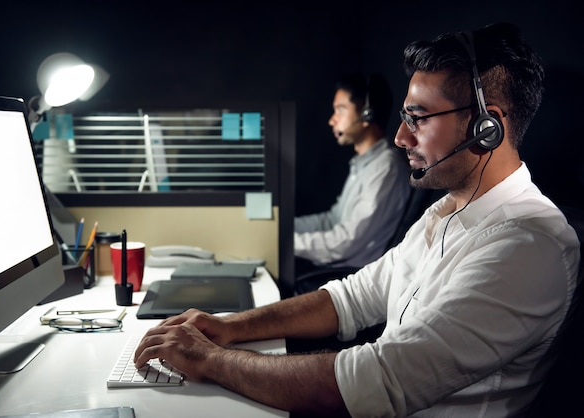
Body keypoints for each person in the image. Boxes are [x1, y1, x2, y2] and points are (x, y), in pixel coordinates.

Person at [134, 22, 580, 417]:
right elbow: (352, 297)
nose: (401, 136)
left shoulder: (528, 244)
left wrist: (210, 360)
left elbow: (376, 380)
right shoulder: (447, 211)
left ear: (488, 126)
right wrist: (231, 326)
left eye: (418, 118)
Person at [294, 73, 411, 280]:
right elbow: (333, 219)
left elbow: (345, 243)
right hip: (335, 272)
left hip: (350, 278)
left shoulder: (385, 168)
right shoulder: (365, 164)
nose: (332, 120)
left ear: (367, 114)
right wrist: (284, 227)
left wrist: (284, 241)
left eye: (340, 110)